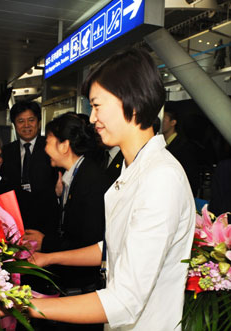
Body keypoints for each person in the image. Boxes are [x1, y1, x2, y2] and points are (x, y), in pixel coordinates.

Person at [27, 48, 196, 331]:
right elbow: (117, 247)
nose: (92, 118)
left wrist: (29, 306)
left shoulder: (160, 178)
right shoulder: (133, 167)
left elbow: (126, 300)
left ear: (129, 101)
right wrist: (50, 257)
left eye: (97, 105)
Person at [24, 112, 107, 331]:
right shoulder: (73, 177)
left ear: (64, 146)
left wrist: (47, 244)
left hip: (84, 291)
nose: (44, 148)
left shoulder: (90, 180)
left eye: (49, 142)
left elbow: (89, 240)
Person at [1, 101, 59, 235]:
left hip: (46, 220)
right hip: (15, 220)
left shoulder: (51, 147)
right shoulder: (6, 151)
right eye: (21, 121)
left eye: (31, 120)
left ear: (38, 122)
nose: (26, 125)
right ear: (14, 125)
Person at [162, 102, 200, 196]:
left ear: (173, 122)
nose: (160, 122)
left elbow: (190, 177)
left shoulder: (184, 147)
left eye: (164, 119)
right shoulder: (162, 144)